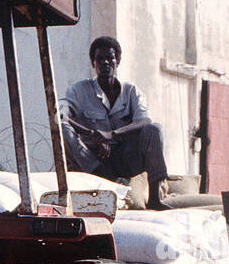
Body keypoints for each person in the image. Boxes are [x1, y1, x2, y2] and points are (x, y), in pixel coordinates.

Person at [61, 36, 170, 210]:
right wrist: (93, 135)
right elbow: (61, 116)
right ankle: (98, 174)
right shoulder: (79, 90)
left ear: (117, 61)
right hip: (95, 159)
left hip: (125, 157)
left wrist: (111, 135)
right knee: (62, 128)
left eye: (110, 58)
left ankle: (155, 199)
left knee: (153, 129)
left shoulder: (131, 91)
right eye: (100, 59)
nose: (105, 63)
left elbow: (143, 120)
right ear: (93, 63)